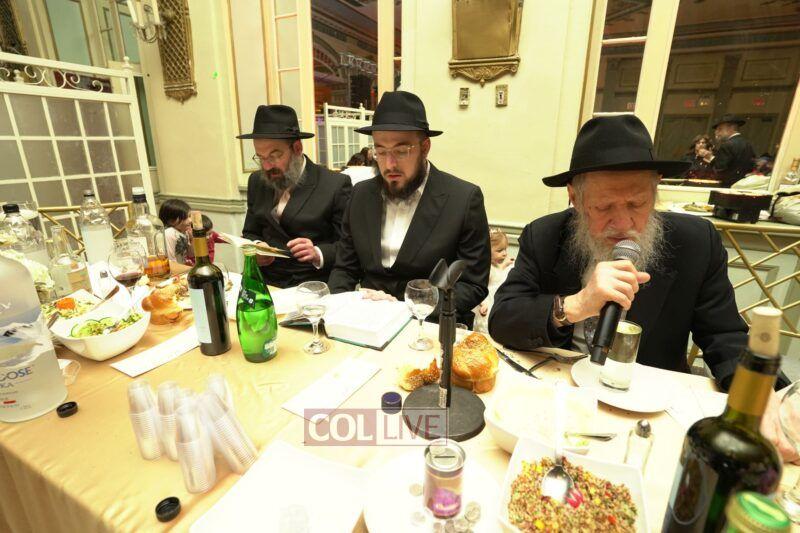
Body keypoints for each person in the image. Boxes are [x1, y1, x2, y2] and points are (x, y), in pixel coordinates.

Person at [488, 114, 794, 459]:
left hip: (650, 413)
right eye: (604, 207)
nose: (623, 223)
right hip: (560, 402)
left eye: (637, 203)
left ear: (656, 190)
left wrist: (760, 391)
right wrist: (576, 304)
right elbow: (504, 318)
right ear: (574, 197)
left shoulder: (696, 242)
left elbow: (725, 336)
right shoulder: (544, 235)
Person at [328, 90, 491, 326]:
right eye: (380, 151)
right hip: (368, 321)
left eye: (401, 151)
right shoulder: (360, 195)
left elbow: (472, 285)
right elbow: (344, 269)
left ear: (425, 147)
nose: (389, 164)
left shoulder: (463, 199)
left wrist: (405, 309)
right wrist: (338, 309)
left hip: (429, 325)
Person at [238, 105, 352, 287]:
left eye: (274, 156)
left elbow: (348, 246)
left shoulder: (334, 185)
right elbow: (251, 231)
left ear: (297, 148)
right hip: (264, 281)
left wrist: (318, 253)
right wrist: (257, 247)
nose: (266, 166)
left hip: (310, 284)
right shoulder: (256, 181)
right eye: (261, 157)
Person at [473, 228, 514, 333]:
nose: (505, 254)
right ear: (487, 251)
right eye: (500, 251)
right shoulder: (486, 269)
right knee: (485, 328)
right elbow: (479, 288)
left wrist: (505, 265)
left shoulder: (497, 264)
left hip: (497, 302)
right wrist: (483, 304)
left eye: (505, 249)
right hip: (487, 302)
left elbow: (499, 277)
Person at [708, 114, 756, 187]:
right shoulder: (747, 144)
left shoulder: (727, 145)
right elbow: (751, 165)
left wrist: (710, 157)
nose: (716, 132)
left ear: (731, 128)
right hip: (743, 185)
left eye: (720, 129)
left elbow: (719, 170)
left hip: (727, 186)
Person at [159, 199, 193, 265]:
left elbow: (191, 254)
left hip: (180, 267)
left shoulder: (184, 231)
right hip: (174, 269)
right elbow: (171, 261)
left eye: (189, 216)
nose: (190, 220)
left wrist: (192, 238)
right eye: (185, 217)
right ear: (171, 220)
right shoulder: (169, 233)